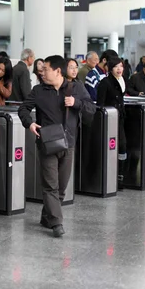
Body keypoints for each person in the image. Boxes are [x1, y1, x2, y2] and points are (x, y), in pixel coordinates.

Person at [18, 55, 95, 238]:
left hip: (68, 144)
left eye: (45, 69)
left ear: (58, 71)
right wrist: (29, 123)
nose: (41, 72)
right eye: (41, 69)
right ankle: (57, 223)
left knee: (61, 188)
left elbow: (91, 109)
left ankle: (48, 216)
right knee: (50, 185)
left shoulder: (76, 88)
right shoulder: (38, 90)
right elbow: (23, 109)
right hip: (47, 143)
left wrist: (76, 103)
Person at [96, 56, 127, 190]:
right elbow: (100, 104)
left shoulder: (122, 81)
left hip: (120, 118)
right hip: (109, 120)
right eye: (116, 66)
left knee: (122, 147)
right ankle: (110, 176)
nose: (119, 69)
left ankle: (120, 175)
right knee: (114, 146)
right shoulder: (105, 82)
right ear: (110, 68)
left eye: (121, 66)